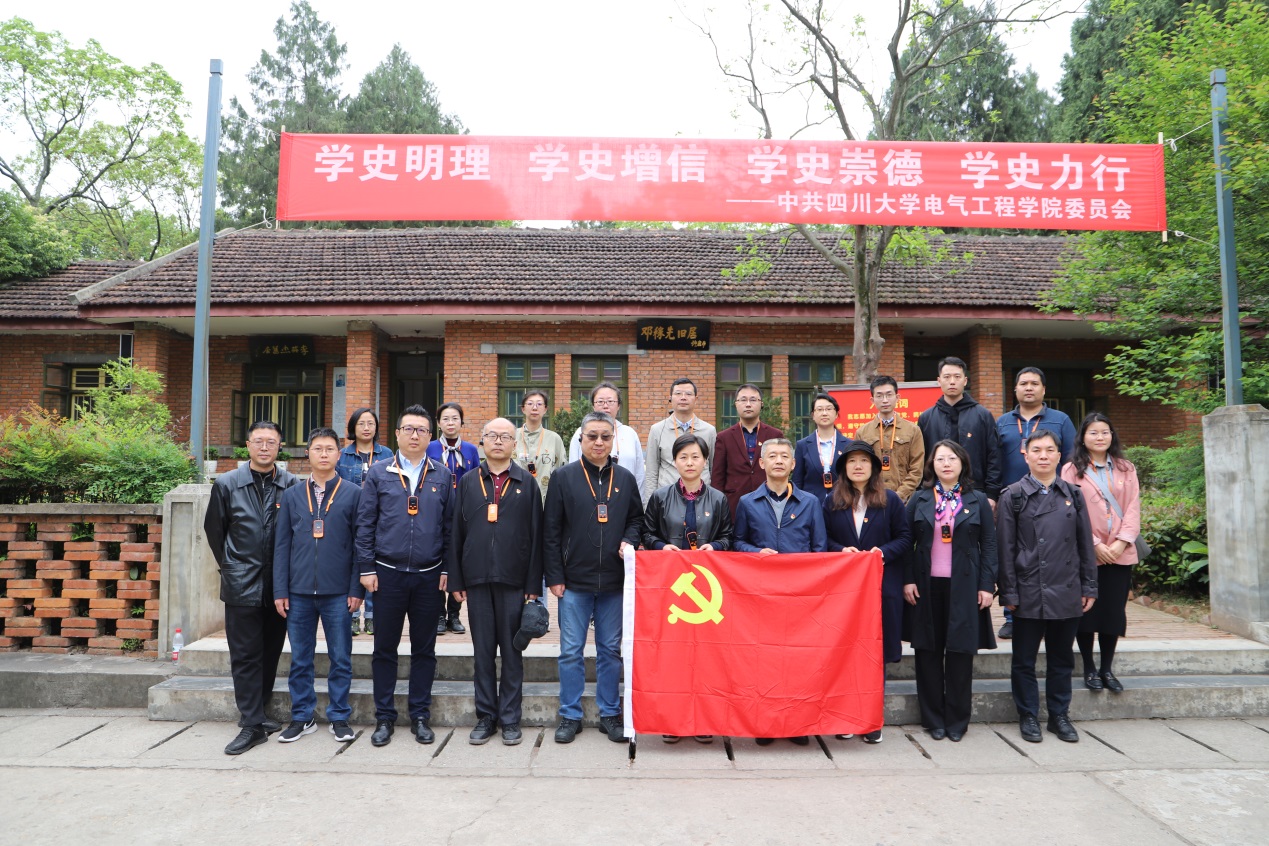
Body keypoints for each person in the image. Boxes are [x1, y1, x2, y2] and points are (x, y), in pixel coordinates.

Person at [356, 404, 453, 748]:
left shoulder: (442, 475)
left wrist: (447, 568)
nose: (415, 435)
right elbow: (365, 523)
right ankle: (384, 717)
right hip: (388, 575)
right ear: (397, 434)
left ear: (430, 436)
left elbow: (449, 528)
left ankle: (420, 715)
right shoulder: (379, 473)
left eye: (422, 430)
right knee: (385, 648)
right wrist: (366, 567)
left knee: (424, 649)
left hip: (429, 577)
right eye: (408, 429)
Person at [545, 411, 644, 745]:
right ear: (581, 439)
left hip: (614, 581)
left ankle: (610, 714)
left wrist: (629, 539)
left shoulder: (625, 478)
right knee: (571, 651)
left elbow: (636, 519)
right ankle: (570, 715)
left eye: (605, 436)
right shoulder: (564, 477)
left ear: (613, 439)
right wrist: (554, 574)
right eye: (592, 436)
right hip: (574, 581)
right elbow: (551, 530)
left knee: (610, 651)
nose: (599, 442)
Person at [204, 420, 300, 755]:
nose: (264, 447)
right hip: (241, 582)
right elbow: (215, 532)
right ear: (247, 445)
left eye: (271, 442)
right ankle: (251, 723)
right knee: (245, 655)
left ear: (279, 446)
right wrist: (232, 565)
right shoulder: (227, 484)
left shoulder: (291, 484)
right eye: (258, 441)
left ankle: (259, 713)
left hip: (279, 585)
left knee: (271, 651)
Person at [997, 429, 1097, 744]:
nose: (1043, 456)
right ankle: (1028, 715)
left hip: (1066, 586)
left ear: (1059, 455)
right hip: (1028, 587)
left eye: (1049, 450)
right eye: (1037, 450)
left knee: (1062, 658)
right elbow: (1005, 549)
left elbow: (1084, 544)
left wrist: (1089, 586)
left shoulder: (1073, 494)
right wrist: (1008, 591)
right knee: (1024, 659)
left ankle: (1059, 715)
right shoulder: (1012, 495)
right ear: (1025, 455)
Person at [449, 418, 543, 747]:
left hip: (514, 581)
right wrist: (456, 579)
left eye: (505, 436)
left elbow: (536, 537)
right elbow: (456, 533)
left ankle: (510, 718)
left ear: (515, 444)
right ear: (482, 441)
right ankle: (486, 716)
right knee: (483, 652)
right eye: (492, 436)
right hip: (476, 580)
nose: (498, 441)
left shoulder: (527, 483)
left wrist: (533, 586)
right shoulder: (468, 482)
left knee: (513, 654)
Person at [733, 437, 826, 747]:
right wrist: (756, 552)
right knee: (763, 661)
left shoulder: (810, 502)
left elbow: (819, 548)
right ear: (761, 463)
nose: (778, 461)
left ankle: (797, 724)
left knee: (798, 661)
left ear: (793, 464)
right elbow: (737, 542)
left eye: (784, 456)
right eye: (772, 456)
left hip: (799, 596)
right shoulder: (747, 502)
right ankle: (765, 724)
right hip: (760, 595)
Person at [273, 427, 363, 745]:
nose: (324, 454)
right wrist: (280, 590)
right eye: (318, 449)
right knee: (300, 658)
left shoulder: (353, 493)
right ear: (307, 453)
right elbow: (282, 546)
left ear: (339, 454)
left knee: (340, 657)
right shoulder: (293, 495)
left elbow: (360, 546)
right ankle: (302, 716)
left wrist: (356, 589)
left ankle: (339, 716)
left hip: (338, 592)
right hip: (298, 592)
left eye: (330, 449)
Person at [903, 440, 998, 743]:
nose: (946, 464)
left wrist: (987, 585)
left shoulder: (977, 499)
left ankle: (957, 720)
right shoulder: (919, 499)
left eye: (952, 459)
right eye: (940, 459)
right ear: (932, 464)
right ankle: (933, 719)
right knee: (927, 653)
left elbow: (989, 544)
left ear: (962, 464)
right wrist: (907, 579)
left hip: (965, 585)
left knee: (960, 653)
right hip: (925, 585)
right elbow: (905, 541)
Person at [643, 433, 734, 744]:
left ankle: (704, 719)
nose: (690, 462)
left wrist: (715, 547)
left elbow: (728, 536)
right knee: (673, 655)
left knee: (707, 656)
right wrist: (661, 547)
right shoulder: (660, 497)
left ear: (705, 461)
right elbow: (647, 534)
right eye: (683, 457)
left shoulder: (718, 499)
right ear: (674, 462)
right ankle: (672, 720)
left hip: (708, 589)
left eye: (696, 456)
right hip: (672, 590)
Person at [821, 440, 911, 745]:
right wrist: (840, 550)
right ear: (843, 468)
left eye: (863, 460)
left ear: (873, 467)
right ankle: (845, 716)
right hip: (843, 592)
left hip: (881, 588)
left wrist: (881, 553)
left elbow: (904, 538)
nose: (858, 466)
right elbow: (823, 538)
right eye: (851, 461)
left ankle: (871, 719)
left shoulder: (890, 500)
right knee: (844, 653)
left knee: (875, 654)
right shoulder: (832, 501)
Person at [994, 367, 1077, 640]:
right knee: (1014, 556)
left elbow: (1072, 460)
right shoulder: (1003, 422)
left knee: (1050, 556)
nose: (1028, 388)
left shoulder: (1060, 420)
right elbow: (994, 463)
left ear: (1043, 389)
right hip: (1013, 501)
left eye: (1034, 383)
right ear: (1015, 389)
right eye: (1023, 383)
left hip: (1052, 500)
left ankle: (1052, 613)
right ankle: (1012, 616)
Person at [1061, 413, 1141, 695]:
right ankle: (1089, 668)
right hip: (1086, 552)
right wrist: (1093, 543)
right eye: (1093, 432)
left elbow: (1133, 508)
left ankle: (1107, 668)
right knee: (1086, 612)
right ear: (1083, 437)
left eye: (1105, 432)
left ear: (1112, 435)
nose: (1100, 437)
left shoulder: (1126, 468)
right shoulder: (1071, 470)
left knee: (1112, 612)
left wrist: (1122, 542)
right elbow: (1070, 510)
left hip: (1120, 552)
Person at [336, 407, 393, 637]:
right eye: (361, 423)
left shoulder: (386, 454)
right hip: (348, 516)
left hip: (378, 518)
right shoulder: (342, 455)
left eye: (371, 423)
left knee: (372, 565)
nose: (367, 428)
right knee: (351, 565)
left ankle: (371, 616)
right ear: (353, 427)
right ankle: (351, 615)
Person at [918, 356, 1001, 504]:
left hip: (975, 491)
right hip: (935, 493)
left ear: (965, 381)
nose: (952, 381)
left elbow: (994, 456)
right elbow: (920, 460)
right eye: (947, 377)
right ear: (939, 381)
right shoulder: (926, 418)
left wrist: (992, 494)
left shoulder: (982, 415)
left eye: (957, 377)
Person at [427, 401, 478, 635]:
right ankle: (438, 614)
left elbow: (476, 480)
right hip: (436, 512)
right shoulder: (430, 448)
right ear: (438, 423)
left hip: (463, 512)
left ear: (461, 422)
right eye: (445, 419)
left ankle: (454, 614)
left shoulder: (470, 450)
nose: (450, 423)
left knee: (459, 560)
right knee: (438, 561)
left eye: (455, 418)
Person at [711, 383, 784, 521]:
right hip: (734, 505)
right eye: (743, 400)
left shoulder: (775, 435)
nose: (748, 404)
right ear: (736, 404)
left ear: (761, 404)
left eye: (753, 400)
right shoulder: (724, 437)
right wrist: (719, 507)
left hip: (769, 503)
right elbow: (717, 477)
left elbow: (782, 471)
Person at [642, 378, 717, 503]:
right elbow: (651, 472)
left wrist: (713, 502)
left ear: (696, 399)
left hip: (701, 499)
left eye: (688, 394)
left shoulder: (709, 431)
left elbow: (713, 469)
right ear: (670, 398)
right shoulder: (657, 430)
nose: (683, 398)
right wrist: (649, 505)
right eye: (678, 393)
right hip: (667, 499)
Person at [856, 376, 925, 503]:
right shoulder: (862, 433)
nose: (885, 400)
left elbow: (917, 469)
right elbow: (860, 468)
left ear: (897, 397)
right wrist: (872, 495)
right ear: (872, 400)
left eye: (889, 395)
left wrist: (900, 495)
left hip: (905, 502)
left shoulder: (913, 430)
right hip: (872, 500)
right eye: (879, 396)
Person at [568, 381, 646, 491]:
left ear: (618, 406)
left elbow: (639, 473)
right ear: (593, 406)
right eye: (600, 401)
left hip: (624, 493)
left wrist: (639, 498)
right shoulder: (581, 433)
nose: (605, 406)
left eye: (610, 401)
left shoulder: (630, 433)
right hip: (588, 493)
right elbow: (573, 469)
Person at [792, 392, 851, 507]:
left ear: (836, 414)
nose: (824, 413)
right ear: (813, 415)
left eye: (829, 409)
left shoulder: (848, 445)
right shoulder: (802, 445)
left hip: (843, 504)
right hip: (810, 506)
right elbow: (797, 481)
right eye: (819, 409)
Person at [514, 390, 568, 502]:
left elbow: (562, 470)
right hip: (515, 498)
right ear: (523, 409)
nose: (534, 408)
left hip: (546, 499)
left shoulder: (554, 438)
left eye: (539, 404)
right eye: (530, 403)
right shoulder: (512, 436)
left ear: (545, 409)